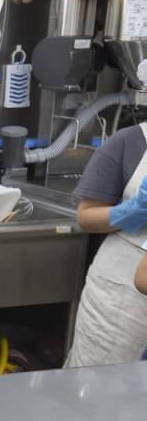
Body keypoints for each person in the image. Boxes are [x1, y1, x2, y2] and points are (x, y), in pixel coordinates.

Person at [66, 102, 147, 367]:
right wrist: (132, 212)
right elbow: (86, 216)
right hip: (120, 292)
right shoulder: (128, 142)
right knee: (98, 381)